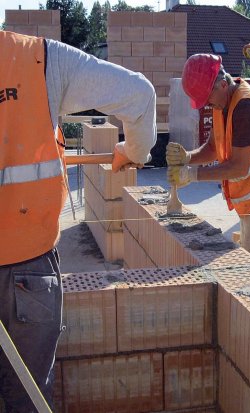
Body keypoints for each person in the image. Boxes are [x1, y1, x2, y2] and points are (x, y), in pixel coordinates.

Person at [0, 30, 157, 412]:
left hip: (27, 266)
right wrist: (132, 151)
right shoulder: (37, 59)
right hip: (27, 268)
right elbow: (140, 95)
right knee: (27, 401)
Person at [166, 53, 250, 260]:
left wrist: (191, 175)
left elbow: (238, 168)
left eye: (207, 99)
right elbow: (213, 147)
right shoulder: (223, 102)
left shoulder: (247, 109)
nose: (207, 106)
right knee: (248, 254)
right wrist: (187, 158)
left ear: (221, 84)